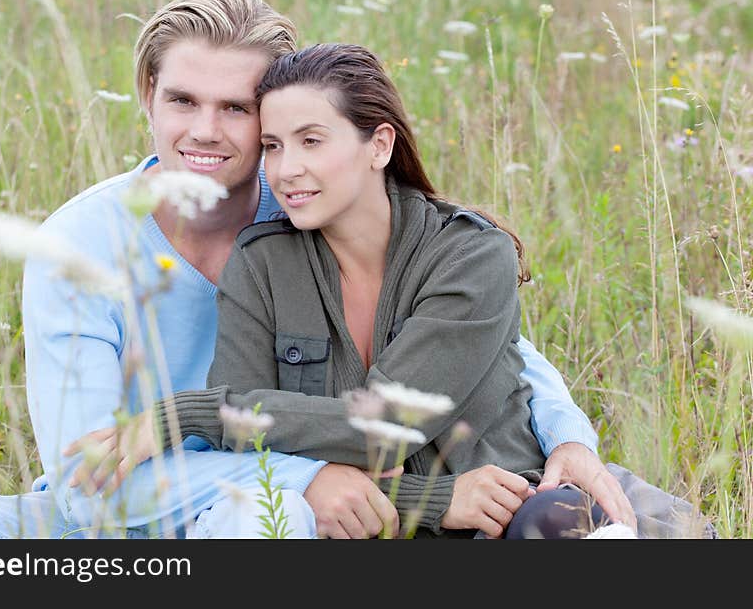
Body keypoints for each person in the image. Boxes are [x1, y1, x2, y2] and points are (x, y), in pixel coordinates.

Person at [0, 0, 643, 540]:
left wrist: (569, 434)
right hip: (137, 513)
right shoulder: (78, 245)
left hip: (288, 509)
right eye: (181, 101)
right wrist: (309, 480)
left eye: (237, 109)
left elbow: (482, 341)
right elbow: (86, 490)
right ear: (147, 94)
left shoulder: (302, 207)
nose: (204, 132)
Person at [69, 41, 711, 539]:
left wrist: (187, 415)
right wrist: (431, 502)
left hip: (527, 517)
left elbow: (387, 427)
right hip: (375, 528)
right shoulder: (261, 263)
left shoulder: (470, 254)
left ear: (378, 144)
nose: (286, 169)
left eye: (312, 142)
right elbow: (249, 447)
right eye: (272, 145)